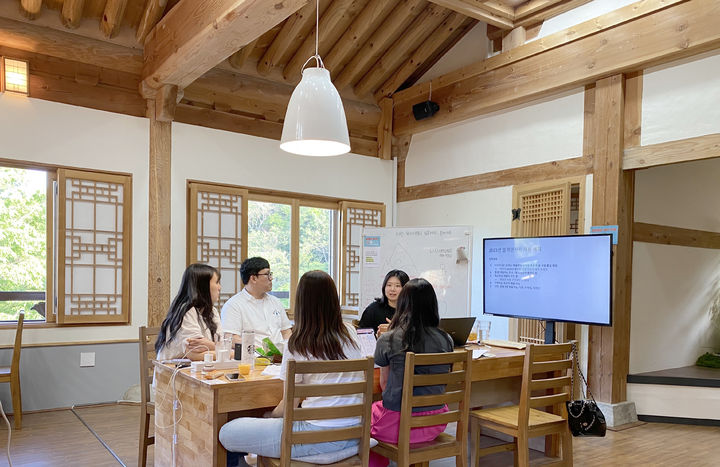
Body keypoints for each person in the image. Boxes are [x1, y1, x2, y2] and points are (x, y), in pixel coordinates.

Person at [219, 271, 365, 466]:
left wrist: (268, 416)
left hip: (315, 438)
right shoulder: (350, 332)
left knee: (227, 432)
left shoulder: (297, 344)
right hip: (355, 431)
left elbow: (288, 405)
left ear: (302, 303)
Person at [370, 278, 454, 467]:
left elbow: (384, 386)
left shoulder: (388, 339)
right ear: (432, 305)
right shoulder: (446, 339)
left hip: (399, 426)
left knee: (363, 421)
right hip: (436, 421)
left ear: (402, 304)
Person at [156, 263, 223, 361]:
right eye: (217, 282)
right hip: (173, 372)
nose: (219, 287)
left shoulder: (212, 311)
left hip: (199, 370)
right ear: (203, 287)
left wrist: (211, 346)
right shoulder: (187, 310)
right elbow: (195, 354)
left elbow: (221, 343)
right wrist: (230, 353)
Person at [221, 257, 292, 348]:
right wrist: (259, 350)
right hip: (253, 358)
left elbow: (286, 332)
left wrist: (287, 350)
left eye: (271, 274)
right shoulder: (233, 305)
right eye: (267, 274)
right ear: (253, 278)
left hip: (280, 358)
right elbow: (231, 338)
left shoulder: (276, 302)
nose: (271, 278)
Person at [358, 269, 409, 336]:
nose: (392, 289)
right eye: (389, 285)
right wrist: (378, 337)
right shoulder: (373, 309)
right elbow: (362, 335)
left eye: (397, 286)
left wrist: (397, 331)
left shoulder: (411, 310)